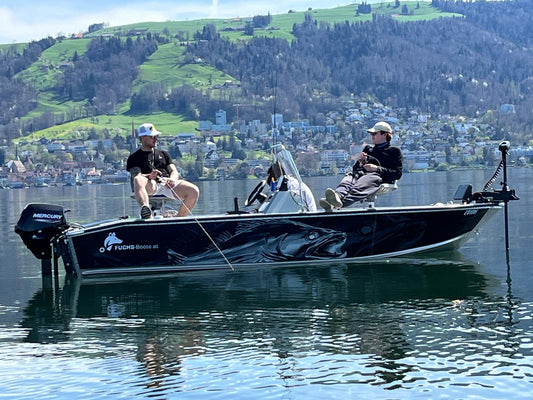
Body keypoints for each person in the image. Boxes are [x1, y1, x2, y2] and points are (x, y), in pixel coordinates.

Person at [319, 121, 403, 211]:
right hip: (361, 174)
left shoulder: (394, 151)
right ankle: (337, 196)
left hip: (377, 177)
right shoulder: (368, 149)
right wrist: (360, 162)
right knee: (349, 177)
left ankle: (338, 203)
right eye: (371, 134)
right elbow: (355, 169)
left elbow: (397, 174)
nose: (372, 136)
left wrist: (377, 169)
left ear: (384, 135)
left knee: (362, 183)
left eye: (374, 133)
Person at [127, 123, 199, 219]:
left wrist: (172, 179)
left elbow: (173, 170)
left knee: (193, 190)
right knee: (138, 179)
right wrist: (150, 176)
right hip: (150, 184)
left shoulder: (164, 154)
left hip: (166, 183)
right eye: (152, 136)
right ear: (143, 137)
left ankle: (179, 218)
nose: (156, 139)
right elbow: (136, 175)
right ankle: (146, 211)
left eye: (156, 136)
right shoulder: (134, 157)